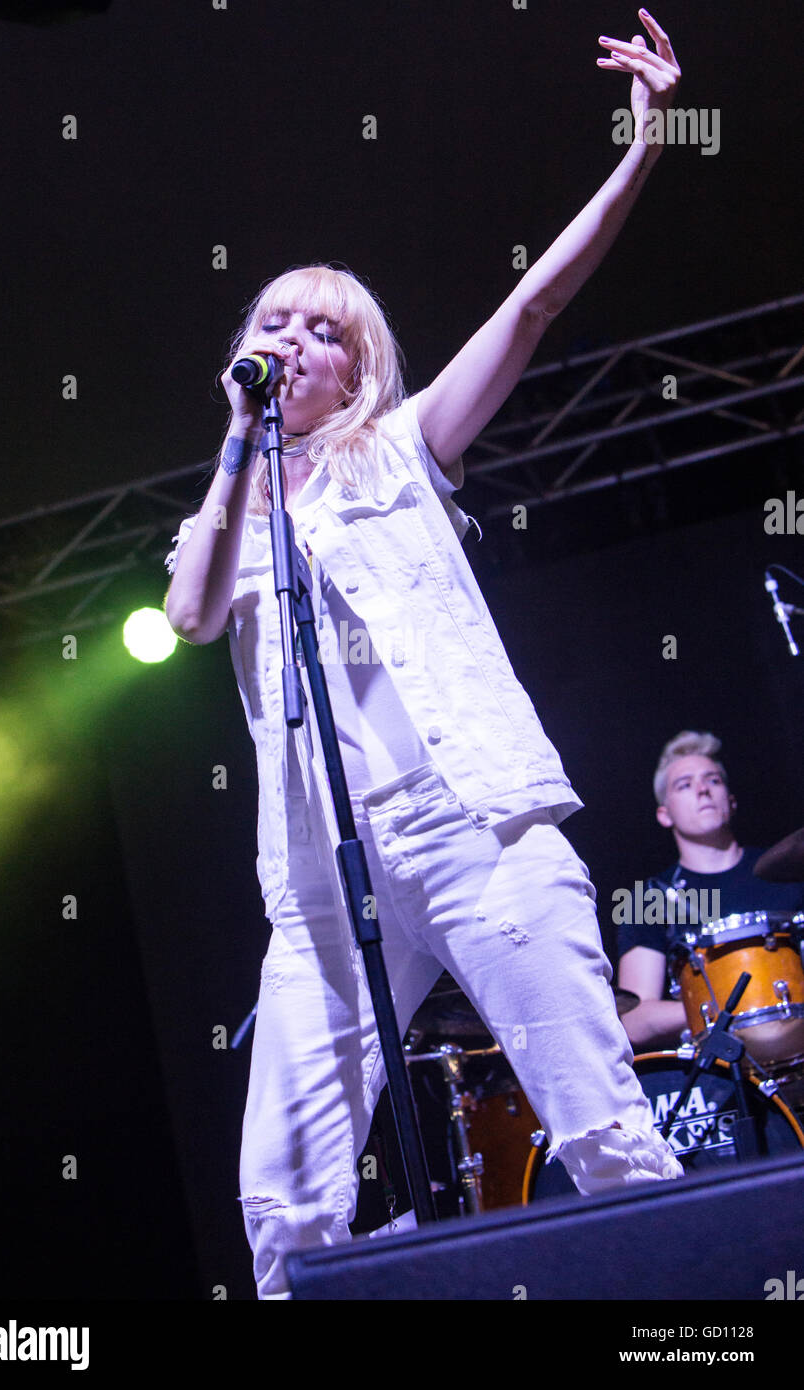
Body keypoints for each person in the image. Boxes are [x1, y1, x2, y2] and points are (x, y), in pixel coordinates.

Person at [165, 11, 685, 1298]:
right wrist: (241, 449)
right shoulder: (228, 512)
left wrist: (639, 155)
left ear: (361, 365)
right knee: (282, 1207)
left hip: (469, 825)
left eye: (318, 328)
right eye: (271, 322)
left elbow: (535, 301)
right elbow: (186, 616)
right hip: (317, 880)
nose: (288, 340)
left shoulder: (402, 453)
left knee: (604, 1135)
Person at [618, 731, 804, 1052]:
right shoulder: (649, 899)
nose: (702, 790)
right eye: (684, 785)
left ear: (731, 801)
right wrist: (732, 1006)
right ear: (664, 814)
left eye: (713, 780)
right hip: (718, 1071)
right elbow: (632, 1021)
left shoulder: (791, 871)